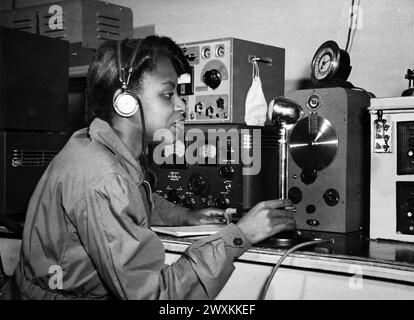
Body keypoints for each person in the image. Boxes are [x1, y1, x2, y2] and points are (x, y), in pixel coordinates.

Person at [10, 36, 296, 300]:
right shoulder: (103, 177)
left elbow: (130, 197)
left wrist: (183, 216)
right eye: (167, 95)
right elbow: (156, 295)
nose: (182, 106)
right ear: (125, 103)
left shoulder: (94, 145)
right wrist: (241, 235)